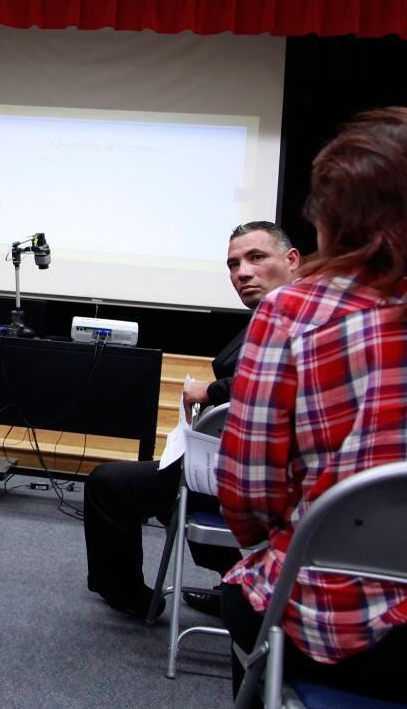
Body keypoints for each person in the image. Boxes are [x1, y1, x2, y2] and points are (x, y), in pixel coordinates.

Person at [219, 108, 407, 704]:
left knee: (247, 595)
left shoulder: (293, 315)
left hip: (344, 626)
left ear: (332, 214)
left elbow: (250, 492)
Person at [83, 222, 300, 618]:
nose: (243, 273)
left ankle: (127, 593)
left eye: (256, 258)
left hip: (264, 478)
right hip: (243, 464)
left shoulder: (299, 318)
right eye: (233, 264)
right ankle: (235, 579)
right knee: (173, 480)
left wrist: (213, 392)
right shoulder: (273, 313)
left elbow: (281, 378)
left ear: (292, 260)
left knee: (108, 484)